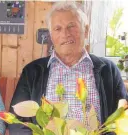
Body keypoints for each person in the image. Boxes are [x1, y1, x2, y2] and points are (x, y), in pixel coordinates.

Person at [9, 2, 128, 135]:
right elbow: (17, 123)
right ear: (51, 36)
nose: (65, 34)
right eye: (58, 29)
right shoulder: (32, 72)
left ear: (86, 30)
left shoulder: (108, 70)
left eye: (71, 26)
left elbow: (123, 117)